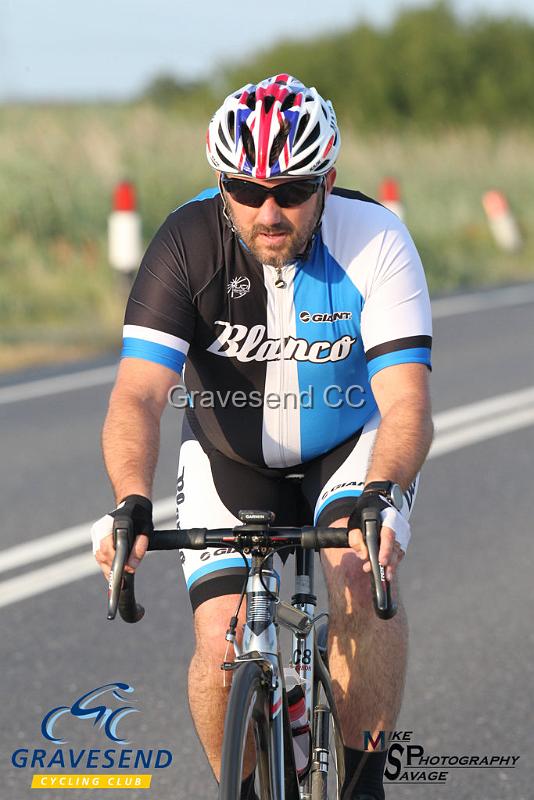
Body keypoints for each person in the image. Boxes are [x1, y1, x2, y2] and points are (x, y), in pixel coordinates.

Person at [92, 74, 433, 799]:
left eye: (292, 189)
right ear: (222, 184)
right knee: (220, 638)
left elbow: (405, 402)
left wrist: (386, 494)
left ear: (328, 181)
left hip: (348, 450)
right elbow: (138, 393)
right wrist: (130, 499)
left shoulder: (375, 239)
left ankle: (363, 783)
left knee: (356, 576)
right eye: (247, 191)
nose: (268, 210)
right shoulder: (185, 243)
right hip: (228, 455)